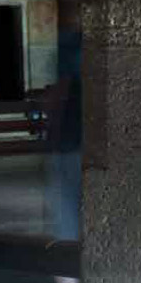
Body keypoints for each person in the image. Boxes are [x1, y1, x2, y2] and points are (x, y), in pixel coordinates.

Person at [42, 26, 84, 242]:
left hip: (71, 140)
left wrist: (53, 131)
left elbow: (61, 92)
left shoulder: (70, 46)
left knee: (67, 207)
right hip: (85, 139)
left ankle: (68, 249)